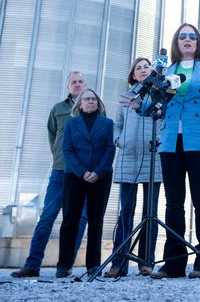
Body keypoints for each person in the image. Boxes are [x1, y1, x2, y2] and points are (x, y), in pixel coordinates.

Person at [151, 23, 200, 279]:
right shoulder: (166, 70)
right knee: (173, 202)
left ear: (198, 42)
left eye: (192, 37)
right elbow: (156, 104)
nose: (187, 40)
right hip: (171, 139)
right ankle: (174, 263)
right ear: (176, 42)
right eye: (182, 36)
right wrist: (145, 103)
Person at [11, 72, 89, 278]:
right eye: (74, 82)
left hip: (84, 174)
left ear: (85, 85)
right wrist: (59, 155)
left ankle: (65, 266)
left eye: (81, 81)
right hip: (61, 171)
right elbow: (53, 135)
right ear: (68, 86)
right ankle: (32, 265)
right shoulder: (58, 109)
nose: (77, 84)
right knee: (47, 217)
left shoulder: (92, 105)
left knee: (79, 219)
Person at [104, 58, 163, 278]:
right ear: (133, 75)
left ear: (152, 71)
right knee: (126, 212)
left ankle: (146, 262)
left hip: (152, 158)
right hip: (128, 158)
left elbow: (165, 119)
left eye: (146, 67)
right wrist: (119, 139)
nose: (142, 70)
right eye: (138, 68)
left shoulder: (159, 94)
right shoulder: (126, 97)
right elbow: (117, 125)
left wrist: (161, 139)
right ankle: (118, 263)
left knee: (151, 213)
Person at [57, 88, 115, 278]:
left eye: (93, 99)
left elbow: (109, 150)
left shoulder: (107, 124)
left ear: (98, 103)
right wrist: (82, 172)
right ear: (79, 104)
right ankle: (63, 265)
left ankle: (93, 265)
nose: (90, 101)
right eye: (86, 99)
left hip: (101, 177)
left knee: (96, 222)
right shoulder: (72, 124)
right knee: (69, 221)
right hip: (75, 176)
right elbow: (67, 150)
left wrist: (98, 172)